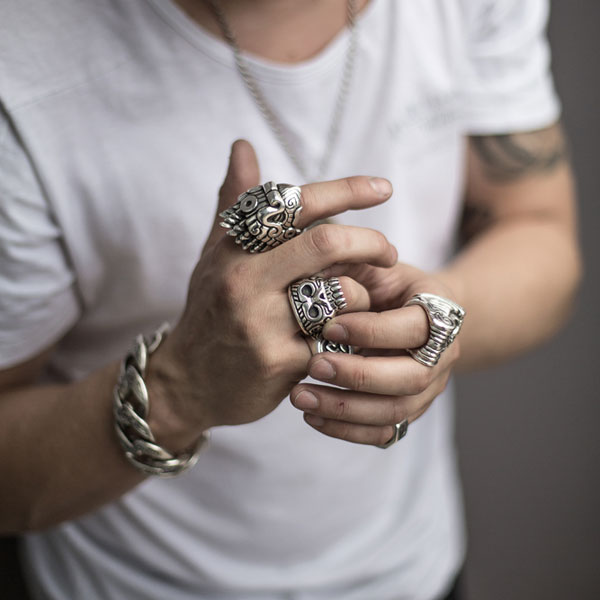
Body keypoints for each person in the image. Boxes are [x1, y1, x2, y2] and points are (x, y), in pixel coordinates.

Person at [0, 0, 581, 599]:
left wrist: (437, 316)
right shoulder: (21, 63)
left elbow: (536, 226)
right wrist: (180, 389)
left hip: (413, 569)